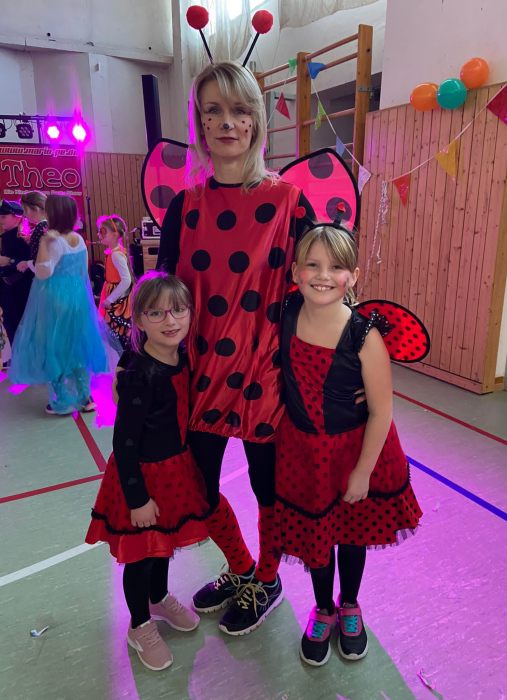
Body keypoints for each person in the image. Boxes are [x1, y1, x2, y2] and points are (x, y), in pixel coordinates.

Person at [153, 60, 316, 636]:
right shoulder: (184, 207)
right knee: (197, 486)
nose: (227, 122)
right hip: (199, 374)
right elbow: (160, 298)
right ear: (199, 123)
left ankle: (267, 578)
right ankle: (243, 567)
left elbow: (319, 292)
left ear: (256, 121)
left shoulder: (290, 203)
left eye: (240, 110)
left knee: (268, 488)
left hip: (268, 375)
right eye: (213, 111)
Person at [274, 222, 423, 667]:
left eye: (336, 267)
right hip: (303, 451)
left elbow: (381, 411)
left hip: (353, 451)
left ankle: (350, 604)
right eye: (313, 265)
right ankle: (322, 609)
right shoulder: (286, 312)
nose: (324, 275)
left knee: (351, 532)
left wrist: (361, 472)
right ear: (296, 272)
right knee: (316, 534)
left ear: (352, 276)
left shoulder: (364, 335)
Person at [86, 271, 210, 672]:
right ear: (139, 320)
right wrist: (137, 499)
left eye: (178, 310)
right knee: (141, 556)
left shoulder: (182, 356)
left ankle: (158, 598)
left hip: (174, 472)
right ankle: (139, 624)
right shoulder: (141, 377)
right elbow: (123, 443)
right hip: (140, 479)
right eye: (156, 314)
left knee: (165, 545)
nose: (170, 321)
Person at [10, 194, 111, 414]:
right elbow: (83, 271)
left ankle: (62, 400)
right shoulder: (78, 239)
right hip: (77, 296)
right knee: (77, 345)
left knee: (54, 347)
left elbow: (43, 273)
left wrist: (44, 243)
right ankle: (85, 397)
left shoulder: (54, 241)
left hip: (56, 298)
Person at [97, 215, 133, 348]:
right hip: (113, 294)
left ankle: (121, 354)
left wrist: (110, 299)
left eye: (103, 231)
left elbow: (126, 280)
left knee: (115, 331)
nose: (99, 234)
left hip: (118, 299)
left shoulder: (117, 255)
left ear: (114, 234)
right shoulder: (113, 253)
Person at [0, 200, 33, 346]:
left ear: (16, 218)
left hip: (21, 290)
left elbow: (31, 263)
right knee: (10, 327)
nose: (1, 220)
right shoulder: (5, 237)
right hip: (7, 289)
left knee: (21, 330)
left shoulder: (24, 239)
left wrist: (10, 261)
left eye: (3, 217)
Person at [17, 191, 48, 274]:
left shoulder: (40, 228)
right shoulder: (49, 224)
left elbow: (40, 262)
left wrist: (27, 264)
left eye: (25, 210)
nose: (24, 214)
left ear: (35, 209)